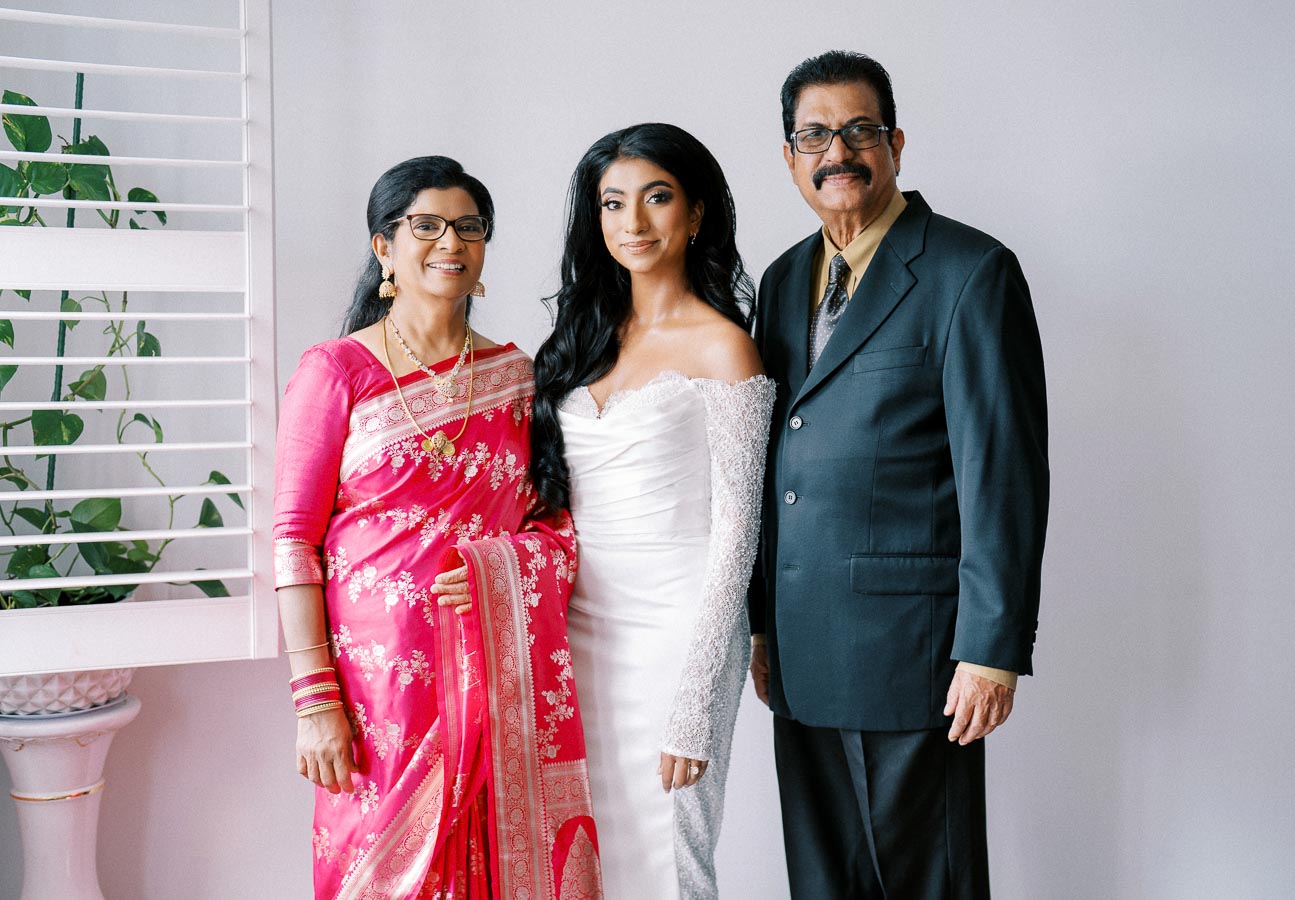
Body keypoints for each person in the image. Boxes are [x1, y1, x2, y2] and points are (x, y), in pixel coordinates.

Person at [749, 51, 1050, 899]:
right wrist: (762, 627)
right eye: (815, 136)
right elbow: (771, 459)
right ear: (789, 156)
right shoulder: (780, 280)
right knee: (823, 884)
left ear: (896, 143)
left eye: (859, 130)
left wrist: (990, 650)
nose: (837, 152)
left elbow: (1002, 472)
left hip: (916, 658)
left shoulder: (969, 271)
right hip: (801, 656)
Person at [273, 156, 602, 899]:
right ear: (384, 247)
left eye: (469, 227)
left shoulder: (518, 379)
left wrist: (501, 569)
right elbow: (294, 542)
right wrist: (314, 699)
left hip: (491, 678)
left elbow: (553, 525)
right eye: (426, 225)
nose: (450, 242)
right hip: (375, 697)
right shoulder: (337, 370)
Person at [531, 123, 773, 899]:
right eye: (612, 203)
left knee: (671, 857)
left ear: (696, 214)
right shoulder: (580, 341)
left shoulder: (725, 347)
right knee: (587, 851)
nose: (632, 222)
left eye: (656, 197)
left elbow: (738, 530)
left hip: (680, 627)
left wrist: (698, 692)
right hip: (580, 630)